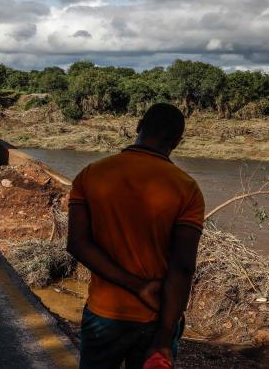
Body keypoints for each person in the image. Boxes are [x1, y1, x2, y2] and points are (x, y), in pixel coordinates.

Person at [67, 103, 205, 369]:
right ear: (177, 142)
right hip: (156, 317)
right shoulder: (187, 189)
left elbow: (77, 244)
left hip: (104, 314)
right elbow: (183, 266)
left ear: (138, 126)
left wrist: (135, 285)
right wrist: (165, 336)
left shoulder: (90, 175)